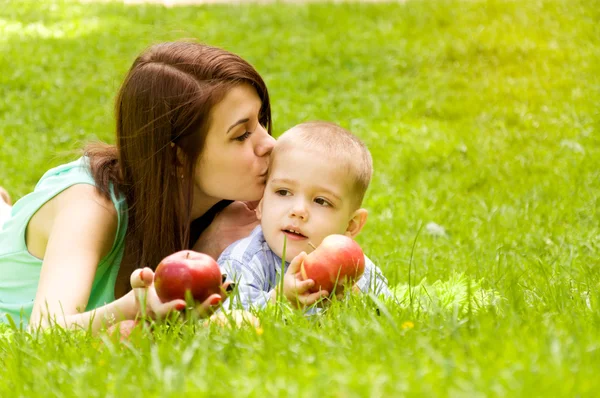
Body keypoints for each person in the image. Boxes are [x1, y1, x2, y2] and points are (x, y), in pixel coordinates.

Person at [0, 41, 276, 332]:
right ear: (176, 158)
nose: (269, 143)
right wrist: (135, 305)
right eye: (242, 135)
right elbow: (44, 331)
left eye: (261, 121)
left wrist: (208, 244)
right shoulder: (92, 205)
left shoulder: (238, 209)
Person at [218, 121, 390, 311]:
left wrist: (354, 300)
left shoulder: (356, 269)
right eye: (283, 192)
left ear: (351, 226)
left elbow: (389, 317)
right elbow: (226, 321)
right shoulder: (243, 260)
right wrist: (280, 299)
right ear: (261, 203)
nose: (298, 211)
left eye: (321, 201)